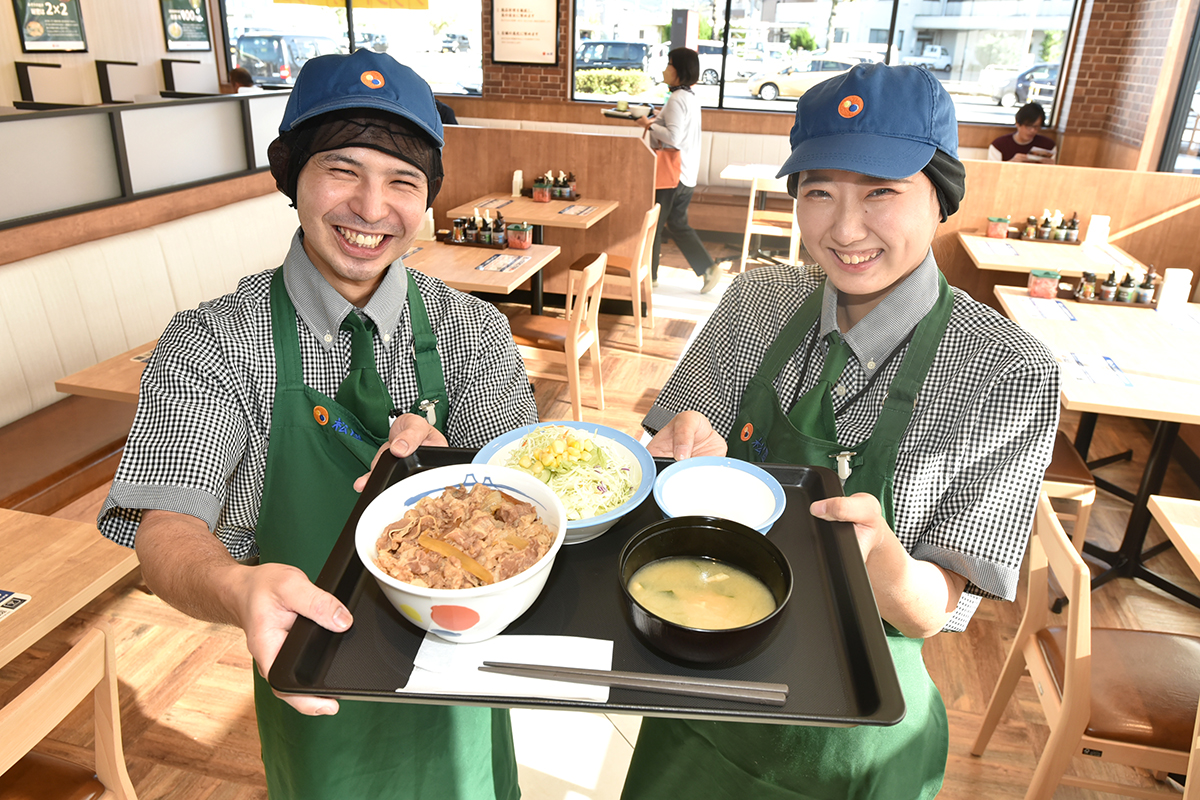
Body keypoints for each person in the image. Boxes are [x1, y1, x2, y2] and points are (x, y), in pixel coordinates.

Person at [97, 49, 535, 800]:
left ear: (427, 197)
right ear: (290, 175)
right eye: (341, 169)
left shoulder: (475, 331)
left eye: (402, 180)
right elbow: (165, 528)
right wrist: (237, 590)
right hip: (308, 673)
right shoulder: (213, 342)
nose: (371, 208)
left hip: (463, 661)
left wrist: (462, 474)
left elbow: (521, 496)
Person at [622, 63, 1060, 800]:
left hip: (854, 733)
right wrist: (682, 453)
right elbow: (668, 471)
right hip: (703, 687)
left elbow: (930, 610)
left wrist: (877, 556)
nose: (845, 228)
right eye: (819, 191)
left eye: (882, 193)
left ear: (942, 196)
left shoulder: (1007, 370)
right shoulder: (758, 297)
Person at [637, 47, 729, 293]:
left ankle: (651, 276)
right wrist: (656, 119)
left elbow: (674, 138)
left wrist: (649, 124)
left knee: (655, 225)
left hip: (671, 174)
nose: (665, 69)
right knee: (677, 223)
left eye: (669, 64)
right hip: (686, 173)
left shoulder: (677, 99)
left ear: (679, 70)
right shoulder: (688, 97)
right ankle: (709, 268)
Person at [988, 101, 1057, 163]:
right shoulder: (999, 145)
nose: (1033, 130)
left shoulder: (1048, 146)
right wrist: (1012, 162)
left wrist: (1050, 166)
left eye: (1036, 127)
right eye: (1029, 126)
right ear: (1017, 124)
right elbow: (993, 171)